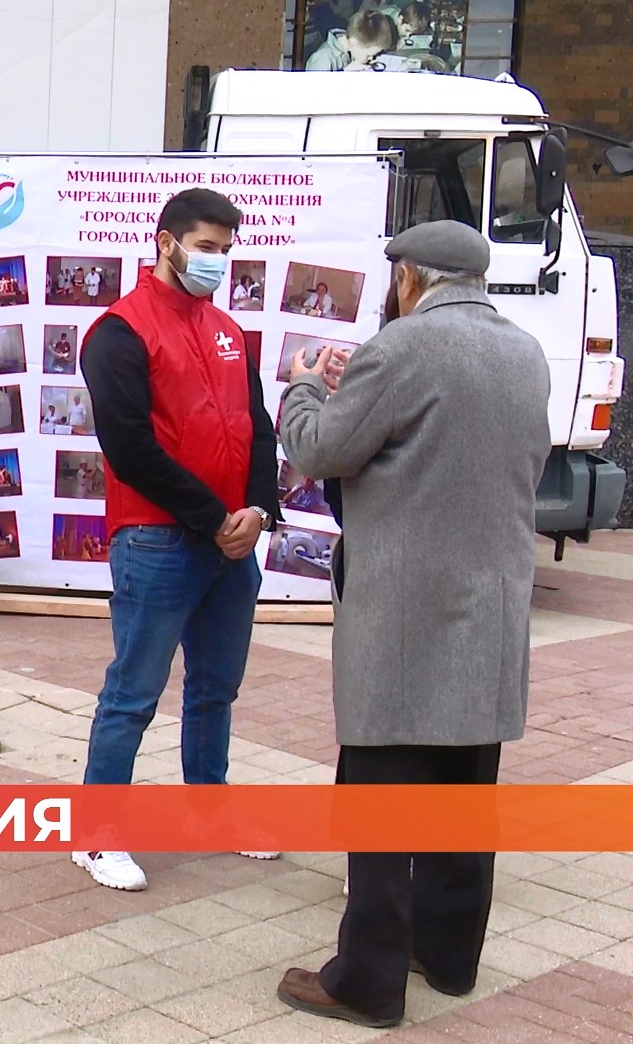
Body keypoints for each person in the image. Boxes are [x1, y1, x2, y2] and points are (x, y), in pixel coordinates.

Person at [272, 220, 550, 1029]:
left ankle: (367, 981)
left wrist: (302, 386)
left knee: (384, 806)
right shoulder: (523, 351)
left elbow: (322, 450)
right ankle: (451, 957)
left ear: (409, 280)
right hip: (490, 611)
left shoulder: (402, 350)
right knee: (466, 798)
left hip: (403, 619)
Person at [72, 187, 283, 892]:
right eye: (206, 246)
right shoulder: (118, 331)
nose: (217, 260)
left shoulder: (226, 330)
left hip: (231, 542)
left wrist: (256, 508)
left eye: (226, 250)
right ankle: (98, 836)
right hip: (160, 541)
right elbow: (129, 448)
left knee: (215, 689)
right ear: (166, 242)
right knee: (134, 692)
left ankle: (209, 812)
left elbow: (257, 425)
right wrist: (211, 516)